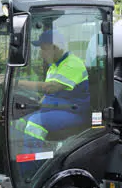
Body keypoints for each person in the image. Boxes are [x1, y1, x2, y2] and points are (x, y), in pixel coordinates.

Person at [13, 29, 90, 176]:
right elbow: (47, 96)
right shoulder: (54, 67)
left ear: (55, 47)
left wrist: (16, 83)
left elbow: (50, 87)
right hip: (56, 109)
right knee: (18, 121)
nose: (41, 53)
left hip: (73, 112)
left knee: (35, 123)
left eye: (44, 49)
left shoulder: (72, 64)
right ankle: (19, 165)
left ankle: (34, 172)